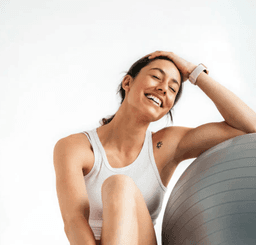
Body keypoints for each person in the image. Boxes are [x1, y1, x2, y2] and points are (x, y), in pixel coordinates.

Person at [53, 51, 256, 245]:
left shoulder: (167, 146)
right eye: (156, 77)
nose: (163, 88)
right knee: (118, 184)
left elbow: (249, 127)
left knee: (119, 185)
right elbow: (74, 222)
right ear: (127, 82)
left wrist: (194, 72)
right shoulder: (75, 147)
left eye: (173, 88)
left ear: (167, 107)